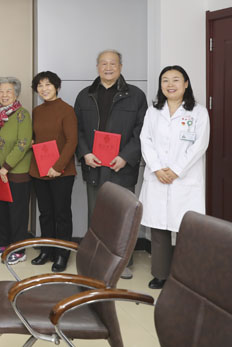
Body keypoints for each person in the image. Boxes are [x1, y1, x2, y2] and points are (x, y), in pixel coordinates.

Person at [74, 49, 147, 279]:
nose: (108, 67)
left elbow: (142, 132)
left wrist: (125, 156)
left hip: (121, 166)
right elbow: (78, 130)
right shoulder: (85, 95)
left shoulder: (136, 95)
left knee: (122, 216)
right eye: (103, 63)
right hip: (94, 165)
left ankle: (122, 264)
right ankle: (97, 261)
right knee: (96, 216)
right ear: (97, 67)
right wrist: (85, 153)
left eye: (112, 63)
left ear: (120, 67)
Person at [139, 66, 209, 290]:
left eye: (176, 80)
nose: (170, 84)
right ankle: (160, 274)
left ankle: (186, 277)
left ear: (186, 84)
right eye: (165, 80)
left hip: (184, 179)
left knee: (186, 229)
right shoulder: (153, 112)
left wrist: (176, 170)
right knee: (159, 228)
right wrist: (158, 168)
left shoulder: (198, 112)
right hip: (158, 176)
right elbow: (145, 140)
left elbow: (200, 145)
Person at [29, 71, 77, 272]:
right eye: (40, 86)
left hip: (61, 172)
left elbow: (72, 141)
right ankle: (46, 250)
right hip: (39, 170)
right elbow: (36, 136)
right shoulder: (37, 111)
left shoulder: (67, 110)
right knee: (45, 214)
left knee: (61, 214)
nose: (44, 89)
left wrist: (58, 167)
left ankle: (62, 254)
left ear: (56, 87)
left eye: (48, 84)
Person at [0, 77, 32, 264]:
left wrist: (6, 167)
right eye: (1, 91)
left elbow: (23, 143)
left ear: (16, 94)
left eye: (9, 91)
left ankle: (19, 249)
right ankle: (3, 243)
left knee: (17, 213)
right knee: (1, 211)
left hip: (16, 173)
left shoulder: (22, 115)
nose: (4, 95)